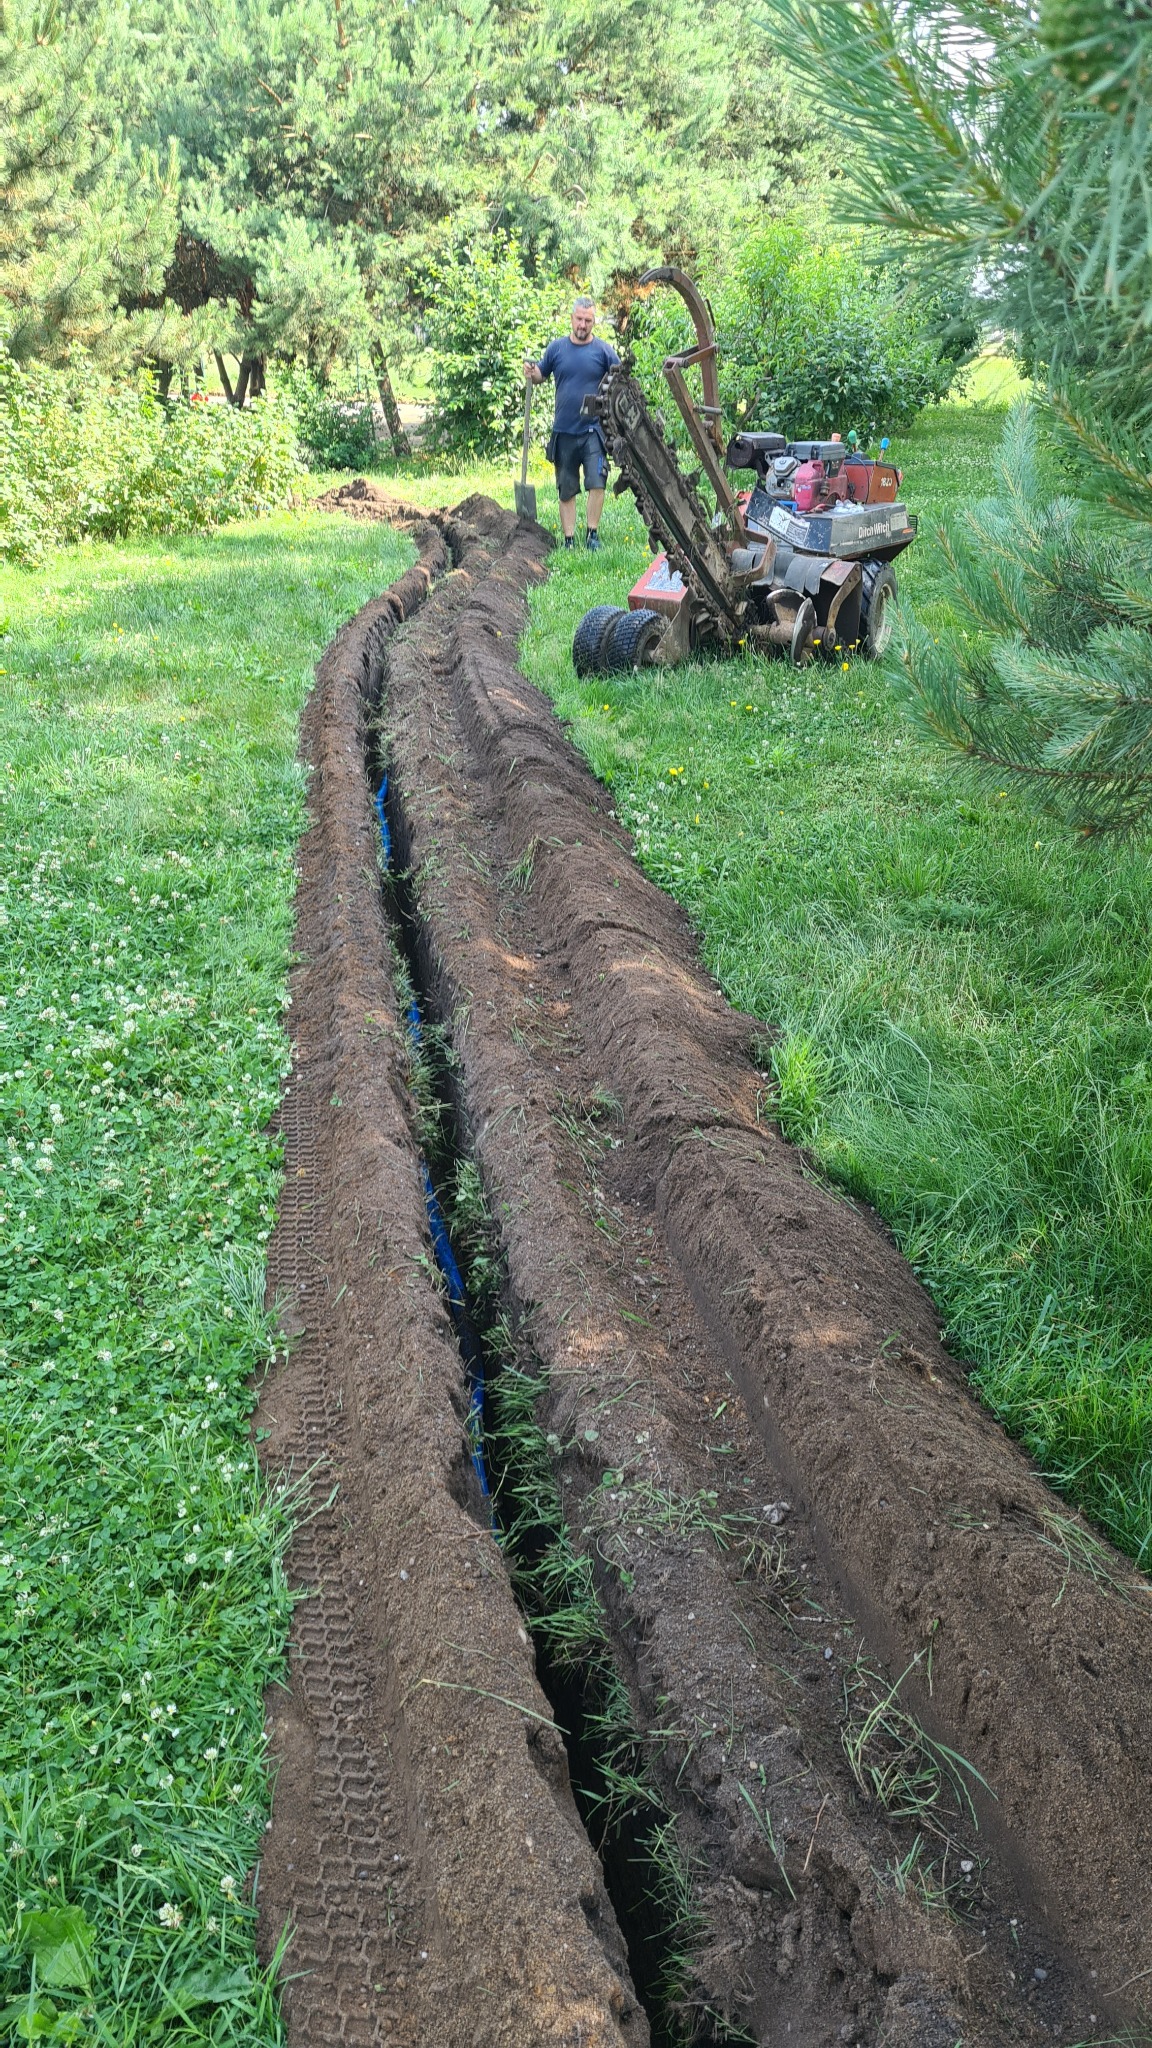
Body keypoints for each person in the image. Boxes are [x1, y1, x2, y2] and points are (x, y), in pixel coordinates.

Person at [525, 297, 620, 550]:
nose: (582, 325)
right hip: (564, 430)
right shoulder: (557, 349)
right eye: (579, 319)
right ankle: (568, 539)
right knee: (566, 488)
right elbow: (540, 375)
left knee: (597, 481)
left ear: (594, 322)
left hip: (593, 431)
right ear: (572, 318)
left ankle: (592, 535)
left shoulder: (604, 351)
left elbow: (622, 380)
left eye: (588, 320)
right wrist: (531, 372)